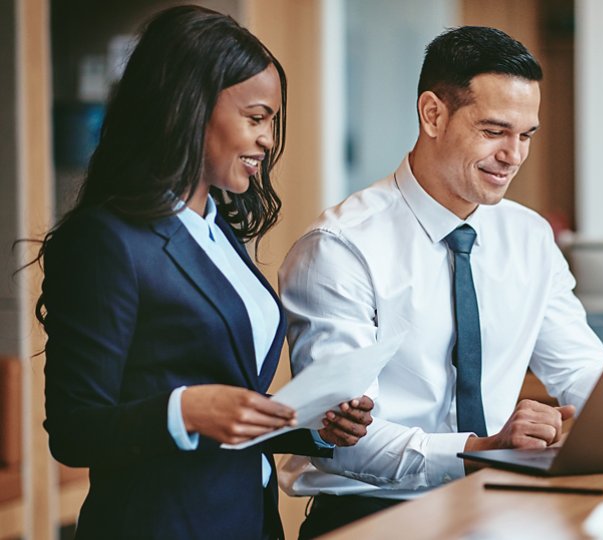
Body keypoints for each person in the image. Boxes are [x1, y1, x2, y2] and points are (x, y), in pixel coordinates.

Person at [36, 6, 372, 539]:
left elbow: (230, 404)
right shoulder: (108, 241)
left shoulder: (218, 232)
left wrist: (311, 427)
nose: (267, 139)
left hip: (249, 522)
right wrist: (185, 409)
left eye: (272, 122)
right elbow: (75, 430)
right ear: (191, 108)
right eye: (256, 117)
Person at [279, 26, 603, 537]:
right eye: (495, 131)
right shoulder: (341, 248)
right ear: (433, 114)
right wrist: (478, 451)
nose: (514, 155)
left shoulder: (529, 237)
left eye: (526, 135)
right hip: (372, 520)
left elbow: (581, 369)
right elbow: (344, 440)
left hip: (499, 511)